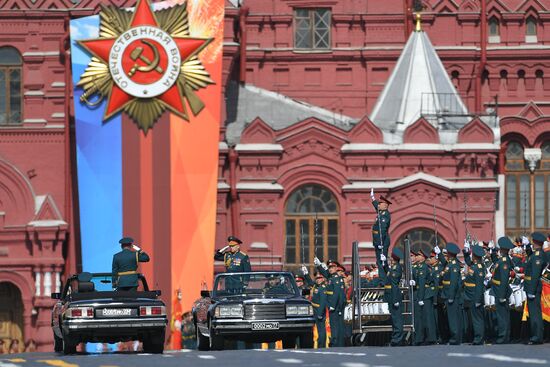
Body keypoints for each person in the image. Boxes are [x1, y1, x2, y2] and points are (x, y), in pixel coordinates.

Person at [314, 258, 346, 347]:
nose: (331, 269)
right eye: (330, 267)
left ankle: (336, 342)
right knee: (334, 324)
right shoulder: (331, 277)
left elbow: (336, 293)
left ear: (336, 268)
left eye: (332, 267)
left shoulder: (336, 278)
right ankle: (336, 341)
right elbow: (324, 273)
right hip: (332, 303)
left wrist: (333, 305)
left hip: (334, 305)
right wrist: (318, 265)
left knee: (335, 325)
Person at [435, 242, 462, 345]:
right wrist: (439, 254)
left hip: (452, 295)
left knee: (453, 318)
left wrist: (450, 296)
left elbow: (453, 282)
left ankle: (455, 338)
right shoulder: (450, 263)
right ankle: (454, 337)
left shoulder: (454, 265)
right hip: (447, 294)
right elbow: (445, 263)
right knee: (451, 317)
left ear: (450, 254)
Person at [524, 232, 547, 344]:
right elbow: (530, 257)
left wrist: (532, 291)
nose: (532, 243)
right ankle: (536, 335)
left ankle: (537, 337)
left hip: (533, 288)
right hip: (530, 287)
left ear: (536, 242)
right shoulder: (536, 254)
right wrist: (527, 247)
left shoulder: (538, 256)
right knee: (534, 313)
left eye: (532, 242)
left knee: (535, 314)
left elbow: (535, 274)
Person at [462, 244, 486, 345]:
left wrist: (478, 300)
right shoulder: (474, 265)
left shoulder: (479, 267)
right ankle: (476, 337)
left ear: (475, 256)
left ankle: (479, 339)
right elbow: (468, 262)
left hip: (475, 296)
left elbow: (480, 286)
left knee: (477, 319)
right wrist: (466, 252)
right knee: (474, 319)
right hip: (470, 295)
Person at [492, 236, 514, 344]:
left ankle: (503, 337)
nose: (499, 250)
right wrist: (492, 252)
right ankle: (505, 336)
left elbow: (504, 280)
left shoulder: (504, 261)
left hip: (501, 291)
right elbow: (495, 263)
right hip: (498, 289)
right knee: (502, 314)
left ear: (504, 249)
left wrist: (501, 295)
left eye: (500, 249)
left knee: (502, 315)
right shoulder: (502, 259)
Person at [381, 247, 404, 346]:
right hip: (391, 295)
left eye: (391, 257)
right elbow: (388, 273)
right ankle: (395, 338)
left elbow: (394, 284)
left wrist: (395, 299)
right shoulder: (393, 268)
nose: (390, 258)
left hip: (394, 296)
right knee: (394, 318)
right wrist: (384, 263)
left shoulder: (397, 268)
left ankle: (397, 339)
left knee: (397, 319)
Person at [302, 266, 328, 349]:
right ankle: (315, 343)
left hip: (319, 309)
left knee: (321, 329)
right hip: (313, 309)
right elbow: (310, 281)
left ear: (323, 279)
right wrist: (305, 273)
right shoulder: (315, 286)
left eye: (320, 278)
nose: (318, 279)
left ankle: (321, 344)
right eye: (317, 278)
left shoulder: (323, 288)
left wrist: (320, 313)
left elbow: (323, 302)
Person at [370, 188, 392, 269]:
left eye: (380, 204)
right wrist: (372, 198)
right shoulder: (381, 212)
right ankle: (384, 277)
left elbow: (382, 230)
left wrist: (380, 243)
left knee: (381, 262)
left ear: (385, 205)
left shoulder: (385, 215)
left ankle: (384, 280)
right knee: (380, 261)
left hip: (382, 241)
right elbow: (376, 206)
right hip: (378, 241)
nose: (378, 205)